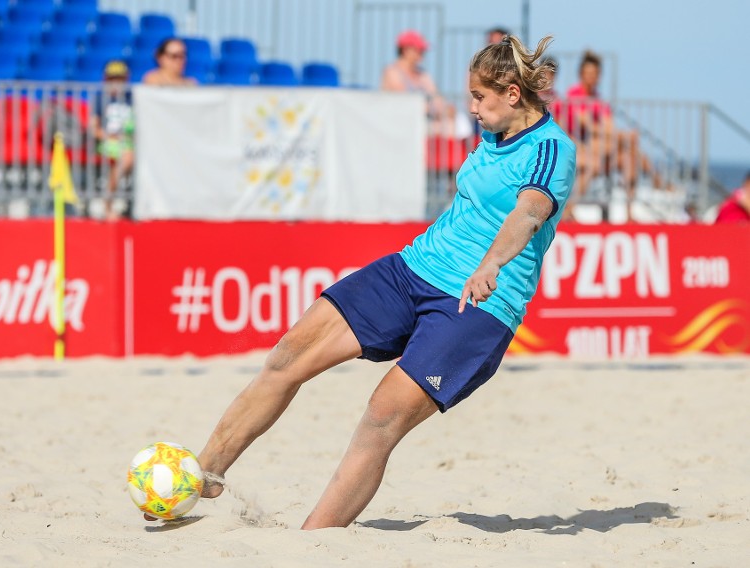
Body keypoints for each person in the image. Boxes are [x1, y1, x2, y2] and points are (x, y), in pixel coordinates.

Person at [145, 34, 575, 530]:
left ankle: (313, 543)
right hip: (415, 267)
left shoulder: (551, 149)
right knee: (288, 354)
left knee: (380, 419)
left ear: (513, 95)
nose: (472, 108)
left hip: (479, 303)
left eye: (479, 97)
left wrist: (491, 263)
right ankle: (207, 471)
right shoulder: (493, 133)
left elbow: (529, 211)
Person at [565, 50, 662, 221]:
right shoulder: (575, 95)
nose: (591, 77)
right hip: (578, 145)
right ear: (581, 74)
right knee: (620, 145)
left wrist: (620, 136)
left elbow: (608, 126)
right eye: (588, 73)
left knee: (629, 158)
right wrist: (623, 136)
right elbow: (589, 127)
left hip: (599, 149)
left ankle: (630, 213)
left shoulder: (597, 99)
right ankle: (655, 177)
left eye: (594, 74)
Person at [380, 30, 456, 136]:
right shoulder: (392, 72)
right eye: (419, 50)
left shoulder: (422, 74)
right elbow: (405, 101)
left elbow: (436, 98)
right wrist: (431, 108)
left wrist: (445, 109)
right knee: (443, 128)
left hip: (422, 121)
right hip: (401, 123)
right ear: (406, 50)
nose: (422, 53)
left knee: (451, 124)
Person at [91, 60, 134, 220]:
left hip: (131, 142)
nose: (116, 83)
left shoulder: (132, 98)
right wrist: (111, 137)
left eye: (120, 79)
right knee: (128, 157)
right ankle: (107, 203)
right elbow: (94, 128)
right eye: (112, 79)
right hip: (109, 143)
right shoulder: (100, 99)